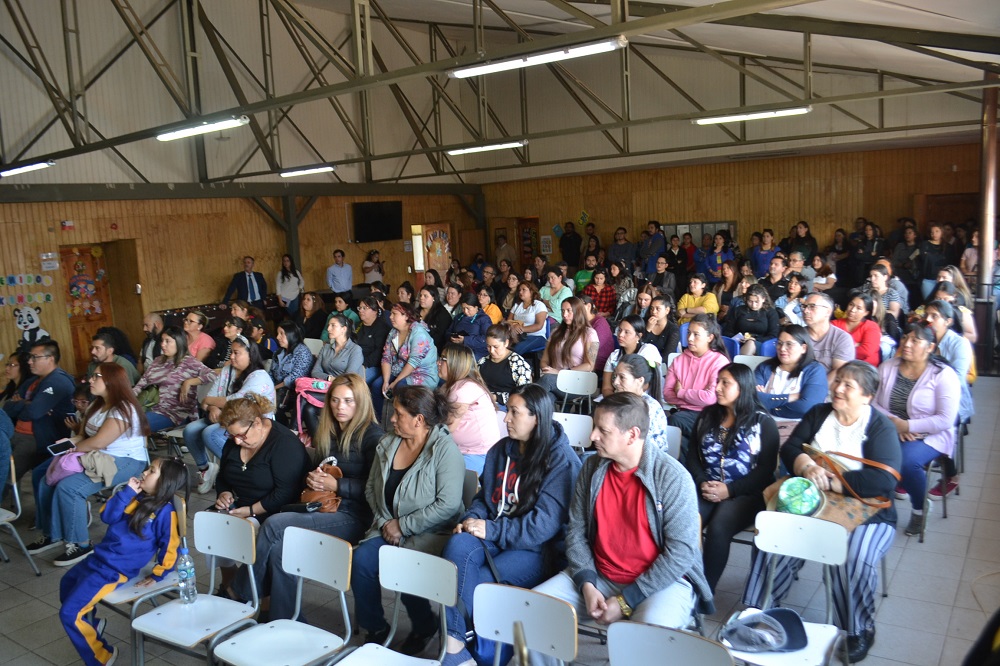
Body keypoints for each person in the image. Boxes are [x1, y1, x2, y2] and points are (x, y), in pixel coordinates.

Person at [530, 393, 712, 665]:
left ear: (632, 435)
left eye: (603, 430)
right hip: (601, 575)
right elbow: (577, 531)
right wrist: (586, 582)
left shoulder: (673, 477)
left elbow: (681, 553)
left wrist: (627, 600)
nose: (592, 436)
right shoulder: (592, 468)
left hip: (661, 582)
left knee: (645, 639)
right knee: (534, 610)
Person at [743, 361, 901, 663]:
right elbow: (790, 449)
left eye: (848, 386)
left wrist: (834, 482)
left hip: (866, 510)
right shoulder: (819, 413)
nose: (838, 389)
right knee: (774, 535)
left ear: (867, 396)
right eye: (838, 381)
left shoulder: (880, 427)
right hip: (811, 501)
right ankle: (759, 611)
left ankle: (858, 629)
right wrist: (807, 465)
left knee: (853, 555)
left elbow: (885, 479)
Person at [432, 385, 581, 666]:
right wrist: (469, 520)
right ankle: (455, 646)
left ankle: (478, 654)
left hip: (536, 549)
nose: (506, 418)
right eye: (508, 410)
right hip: (496, 531)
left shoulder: (561, 460)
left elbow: (542, 527)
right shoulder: (502, 450)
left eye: (515, 412)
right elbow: (483, 498)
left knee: (480, 586)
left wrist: (491, 530)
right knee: (458, 544)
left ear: (537, 418)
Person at [233, 374, 383, 619]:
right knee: (282, 548)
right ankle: (285, 618)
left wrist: (338, 484)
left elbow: (377, 489)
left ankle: (240, 595)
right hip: (323, 507)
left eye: (348, 401)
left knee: (273, 525)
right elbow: (322, 470)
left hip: (354, 516)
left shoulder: (373, 437)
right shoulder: (328, 431)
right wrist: (313, 478)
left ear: (362, 402)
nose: (339, 407)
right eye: (334, 400)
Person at [351, 386, 465, 649]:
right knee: (362, 560)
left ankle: (425, 624)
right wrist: (384, 523)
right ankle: (376, 629)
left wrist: (403, 526)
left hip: (431, 533)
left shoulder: (444, 450)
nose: (391, 418)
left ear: (419, 420)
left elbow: (447, 505)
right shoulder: (389, 443)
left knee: (404, 562)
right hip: (388, 527)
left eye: (399, 414)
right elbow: (372, 488)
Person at [58, 457, 186, 666]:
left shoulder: (165, 513)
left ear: (166, 482)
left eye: (152, 471)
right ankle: (92, 624)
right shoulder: (134, 497)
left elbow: (171, 546)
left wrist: (159, 573)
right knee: (66, 584)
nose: (145, 472)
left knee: (70, 613)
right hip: (98, 559)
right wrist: (126, 493)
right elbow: (107, 516)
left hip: (113, 570)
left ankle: (102, 656)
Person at [28, 363, 151, 565]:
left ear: (111, 381)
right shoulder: (98, 405)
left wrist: (74, 449)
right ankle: (52, 534)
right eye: (91, 376)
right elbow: (84, 435)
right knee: (45, 479)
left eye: (96, 376)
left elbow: (99, 442)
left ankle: (81, 544)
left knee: (69, 488)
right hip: (97, 456)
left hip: (125, 461)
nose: (89, 380)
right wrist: (69, 444)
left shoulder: (123, 409)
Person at [686, 363, 779, 592]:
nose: (717, 387)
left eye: (725, 383)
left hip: (748, 493)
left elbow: (765, 471)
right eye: (718, 381)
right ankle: (684, 582)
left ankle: (705, 592)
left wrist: (730, 490)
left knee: (719, 526)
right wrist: (702, 482)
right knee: (687, 519)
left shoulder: (762, 423)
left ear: (742, 388)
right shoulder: (708, 415)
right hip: (708, 487)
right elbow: (692, 457)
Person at [213, 394, 310, 595]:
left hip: (274, 509)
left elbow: (285, 493)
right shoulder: (235, 441)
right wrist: (224, 492)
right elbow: (223, 476)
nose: (237, 442)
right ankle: (229, 581)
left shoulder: (283, 444)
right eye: (232, 436)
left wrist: (250, 510)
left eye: (242, 435)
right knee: (213, 523)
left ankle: (255, 595)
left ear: (257, 423)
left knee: (242, 529)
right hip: (241, 504)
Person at [873, 323, 960, 537]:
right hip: (890, 428)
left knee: (906, 461)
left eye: (915, 340)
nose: (907, 344)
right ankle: (876, 506)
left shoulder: (943, 375)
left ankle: (920, 508)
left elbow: (945, 419)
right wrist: (895, 423)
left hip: (930, 434)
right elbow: (872, 401)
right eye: (905, 338)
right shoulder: (888, 367)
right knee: (863, 453)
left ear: (930, 347)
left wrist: (909, 426)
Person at [183, 336, 275, 494]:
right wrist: (212, 407)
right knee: (190, 430)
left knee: (210, 434)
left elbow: (236, 401)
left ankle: (240, 471)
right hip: (224, 418)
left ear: (250, 355)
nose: (231, 356)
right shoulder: (227, 370)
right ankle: (205, 468)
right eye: (231, 352)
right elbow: (208, 401)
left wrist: (211, 401)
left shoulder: (259, 376)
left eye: (236, 353)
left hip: (250, 423)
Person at [4, 339, 75, 487]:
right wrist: (27, 404)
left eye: (34, 357)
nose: (30, 361)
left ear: (50, 359)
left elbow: (32, 412)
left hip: (37, 439)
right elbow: (7, 408)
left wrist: (21, 403)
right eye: (30, 357)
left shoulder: (58, 381)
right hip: (17, 433)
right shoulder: (32, 381)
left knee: (4, 475)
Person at [663, 314, 729, 453]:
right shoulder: (679, 360)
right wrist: (697, 396)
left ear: (710, 337)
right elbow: (668, 395)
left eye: (696, 334)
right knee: (679, 432)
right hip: (683, 413)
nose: (690, 338)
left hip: (711, 414)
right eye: (688, 333)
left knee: (675, 422)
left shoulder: (719, 361)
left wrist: (681, 392)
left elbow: (710, 398)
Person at [133, 326, 215, 433]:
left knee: (134, 425)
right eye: (162, 341)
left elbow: (213, 375)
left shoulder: (189, 362)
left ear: (179, 342)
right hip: (149, 407)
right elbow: (141, 383)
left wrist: (189, 382)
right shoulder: (157, 361)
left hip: (174, 413)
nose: (163, 345)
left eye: (168, 341)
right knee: (120, 420)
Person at [437, 344, 501, 474]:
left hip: (478, 455)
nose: (438, 363)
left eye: (443, 359)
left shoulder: (463, 389)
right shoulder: (450, 387)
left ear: (455, 363)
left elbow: (447, 428)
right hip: (460, 450)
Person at [754, 325, 829, 419]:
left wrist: (768, 403)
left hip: (800, 427)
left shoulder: (815, 371)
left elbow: (806, 407)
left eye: (789, 344)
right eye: (779, 343)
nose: (782, 348)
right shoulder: (765, 367)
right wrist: (790, 397)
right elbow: (752, 399)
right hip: (763, 423)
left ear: (803, 348)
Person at [376, 303, 440, 410]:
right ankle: (375, 420)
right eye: (391, 313)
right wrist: (386, 381)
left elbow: (413, 362)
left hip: (422, 373)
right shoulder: (393, 332)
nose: (390, 317)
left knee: (400, 387)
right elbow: (386, 357)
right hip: (401, 370)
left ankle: (403, 421)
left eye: (394, 314)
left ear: (406, 316)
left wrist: (395, 382)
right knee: (377, 385)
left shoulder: (419, 333)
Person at [538, 297, 599, 398]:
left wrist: (560, 373)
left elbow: (590, 365)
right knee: (547, 398)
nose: (564, 315)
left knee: (547, 380)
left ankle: (523, 405)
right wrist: (546, 368)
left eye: (568, 311)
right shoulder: (556, 332)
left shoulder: (590, 334)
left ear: (578, 311)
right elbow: (544, 359)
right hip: (555, 381)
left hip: (577, 382)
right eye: (562, 311)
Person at [610, 353, 669, 454]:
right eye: (615, 376)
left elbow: (646, 452)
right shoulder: (620, 402)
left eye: (622, 377)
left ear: (640, 381)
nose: (615, 382)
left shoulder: (650, 408)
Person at [602, 315, 661, 397]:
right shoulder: (614, 356)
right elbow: (606, 388)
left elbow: (645, 386)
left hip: (640, 400)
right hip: (617, 399)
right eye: (619, 330)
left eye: (627, 332)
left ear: (638, 336)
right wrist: (615, 402)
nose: (620, 335)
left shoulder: (648, 351)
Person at [802, 292, 855, 381]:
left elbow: (839, 372)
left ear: (828, 312)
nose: (805, 311)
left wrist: (814, 390)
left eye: (812, 306)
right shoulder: (798, 334)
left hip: (826, 389)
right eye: (804, 306)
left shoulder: (842, 338)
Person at [269, 320, 314, 424]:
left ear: (291, 335)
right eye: (277, 333)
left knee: (270, 407)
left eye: (281, 334)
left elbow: (294, 378)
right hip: (275, 389)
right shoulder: (278, 352)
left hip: (291, 392)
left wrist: (273, 388)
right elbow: (271, 373)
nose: (277, 337)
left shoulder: (302, 351)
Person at [478, 324, 532, 408]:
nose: (491, 351)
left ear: (506, 343)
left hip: (508, 405)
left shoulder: (517, 362)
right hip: (484, 402)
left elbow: (524, 393)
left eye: (496, 347)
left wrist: (496, 397)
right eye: (488, 346)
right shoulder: (483, 362)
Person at [723, 284, 779, 356]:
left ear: (763, 299)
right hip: (739, 342)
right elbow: (728, 331)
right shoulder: (738, 310)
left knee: (750, 343)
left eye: (756, 302)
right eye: (750, 301)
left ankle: (741, 364)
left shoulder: (771, 312)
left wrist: (754, 339)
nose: (753, 305)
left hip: (762, 343)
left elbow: (773, 335)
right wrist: (739, 338)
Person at [832, 290, 882, 366]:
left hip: (863, 369)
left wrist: (840, 349)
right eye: (851, 305)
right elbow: (827, 347)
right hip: (836, 365)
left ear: (866, 313)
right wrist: (855, 345)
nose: (852, 310)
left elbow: (866, 351)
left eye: (859, 308)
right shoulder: (835, 324)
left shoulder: (871, 326)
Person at [311, 314, 364, 381]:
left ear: (343, 329)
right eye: (328, 325)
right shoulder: (326, 348)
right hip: (328, 386)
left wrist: (333, 380)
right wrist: (330, 378)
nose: (328, 329)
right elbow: (315, 372)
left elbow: (348, 377)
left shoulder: (355, 350)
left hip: (347, 388)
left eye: (333, 325)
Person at [506, 280, 549, 356]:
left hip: (537, 336)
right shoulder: (517, 305)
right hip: (518, 336)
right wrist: (513, 326)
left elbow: (539, 325)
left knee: (516, 350)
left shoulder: (539, 305)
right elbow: (508, 321)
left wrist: (521, 328)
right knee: (503, 345)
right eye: (519, 290)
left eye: (524, 290)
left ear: (531, 292)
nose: (520, 292)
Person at [356, 297, 391, 386]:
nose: (361, 311)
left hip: (372, 365)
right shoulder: (357, 326)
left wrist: (364, 364)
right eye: (360, 308)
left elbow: (379, 352)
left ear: (375, 311)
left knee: (356, 383)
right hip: (355, 361)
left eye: (364, 308)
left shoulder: (382, 328)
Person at [447, 293, 492, 360]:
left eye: (468, 308)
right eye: (463, 308)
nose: (465, 311)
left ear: (476, 307)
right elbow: (448, 331)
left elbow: (486, 338)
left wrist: (465, 340)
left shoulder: (484, 319)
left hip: (476, 351)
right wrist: (452, 337)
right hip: (457, 348)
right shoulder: (459, 317)